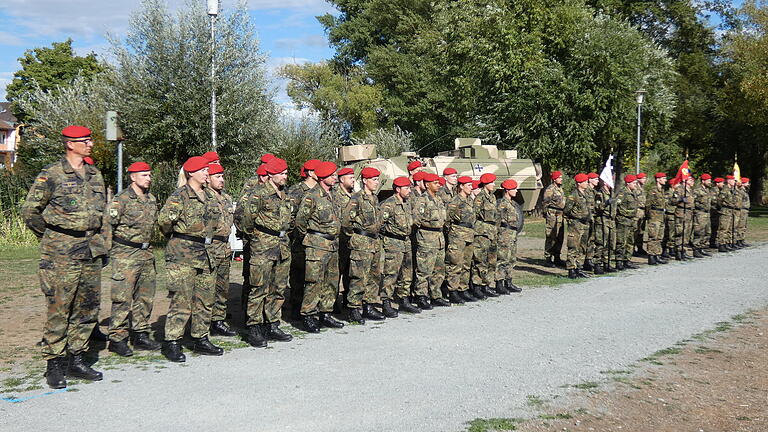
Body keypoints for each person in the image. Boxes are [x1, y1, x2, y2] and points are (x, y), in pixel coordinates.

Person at [22, 125, 108, 388]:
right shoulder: (52, 174)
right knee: (60, 308)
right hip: (61, 252)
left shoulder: (95, 174)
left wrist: (103, 246)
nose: (91, 144)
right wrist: (51, 236)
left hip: (91, 249)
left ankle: (76, 359)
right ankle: (54, 364)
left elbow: (102, 214)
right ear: (71, 144)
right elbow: (30, 211)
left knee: (87, 308)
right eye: (86, 140)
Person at [158, 156, 224, 362]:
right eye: (204, 170)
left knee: (205, 300)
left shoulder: (210, 197)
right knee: (182, 300)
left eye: (208, 171)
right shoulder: (180, 196)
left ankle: (200, 338)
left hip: (206, 254)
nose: (207, 173)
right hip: (182, 255)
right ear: (191, 173)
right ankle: (173, 342)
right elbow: (164, 223)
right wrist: (181, 237)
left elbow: (217, 223)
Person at [237, 157, 295, 347]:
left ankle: (272, 323)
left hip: (282, 246)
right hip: (262, 246)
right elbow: (247, 222)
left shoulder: (285, 194)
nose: (285, 177)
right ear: (270, 175)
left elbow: (291, 220)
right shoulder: (258, 194)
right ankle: (254, 327)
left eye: (286, 173)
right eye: (281, 174)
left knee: (278, 288)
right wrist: (258, 238)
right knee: (258, 288)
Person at [106, 161, 162, 357]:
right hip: (125, 254)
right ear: (132, 176)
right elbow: (108, 227)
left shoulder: (151, 199)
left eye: (149, 175)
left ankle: (140, 334)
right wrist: (107, 252)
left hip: (146, 254)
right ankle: (117, 338)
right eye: (144, 175)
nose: (149, 178)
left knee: (145, 296)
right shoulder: (120, 199)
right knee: (122, 298)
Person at [294, 161, 344, 333]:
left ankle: (326, 313)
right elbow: (300, 221)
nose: (335, 178)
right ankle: (308, 315)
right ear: (323, 177)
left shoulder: (334, 195)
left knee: (331, 281)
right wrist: (309, 238)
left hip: (333, 244)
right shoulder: (312, 196)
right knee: (314, 281)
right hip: (316, 245)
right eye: (332, 176)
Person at [342, 167, 386, 323]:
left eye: (377, 179)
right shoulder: (357, 198)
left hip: (374, 242)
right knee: (359, 277)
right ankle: (354, 308)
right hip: (361, 242)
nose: (377, 182)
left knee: (374, 276)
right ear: (365, 181)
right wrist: (354, 237)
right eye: (374, 179)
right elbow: (346, 221)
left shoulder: (374, 199)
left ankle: (368, 305)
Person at [379, 177, 421, 314]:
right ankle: (386, 302)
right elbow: (380, 225)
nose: (409, 191)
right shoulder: (388, 204)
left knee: (407, 273)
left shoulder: (407, 203)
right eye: (407, 188)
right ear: (398, 189)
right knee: (391, 274)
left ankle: (404, 300)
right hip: (393, 242)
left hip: (406, 241)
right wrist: (389, 237)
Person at [286, 159, 320, 318]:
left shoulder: (322, 190)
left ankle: (313, 306)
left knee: (314, 275)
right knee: (298, 273)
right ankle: (296, 305)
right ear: (311, 173)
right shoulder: (296, 191)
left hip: (318, 241)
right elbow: (291, 216)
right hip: (299, 239)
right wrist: (300, 234)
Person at [207, 164, 237, 337]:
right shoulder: (205, 197)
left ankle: (218, 320)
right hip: (210, 247)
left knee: (222, 287)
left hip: (224, 247)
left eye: (222, 176)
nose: (222, 180)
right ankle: (204, 321)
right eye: (217, 176)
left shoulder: (226, 197)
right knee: (206, 288)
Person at [413, 172, 449, 308]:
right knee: (424, 270)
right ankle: (421, 296)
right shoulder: (422, 200)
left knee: (439, 269)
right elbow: (416, 220)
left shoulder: (439, 199)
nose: (438, 185)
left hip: (439, 238)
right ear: (427, 185)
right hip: (427, 238)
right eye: (435, 183)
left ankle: (436, 295)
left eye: (439, 183)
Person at [445, 176, 478, 303]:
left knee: (466, 264)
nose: (471, 187)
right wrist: (453, 233)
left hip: (469, 234)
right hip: (457, 235)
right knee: (455, 264)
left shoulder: (469, 200)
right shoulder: (455, 201)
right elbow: (447, 220)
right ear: (461, 186)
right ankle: (452, 291)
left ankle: (462, 289)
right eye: (468, 185)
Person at [472, 173, 503, 296]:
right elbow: (475, 214)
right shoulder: (480, 198)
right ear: (485, 184)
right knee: (480, 260)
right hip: (482, 232)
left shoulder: (492, 197)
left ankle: (486, 285)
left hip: (492, 231)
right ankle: (477, 286)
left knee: (492, 260)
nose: (494, 185)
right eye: (492, 183)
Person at [332, 167, 355, 310]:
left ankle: (348, 299)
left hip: (352, 240)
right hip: (340, 239)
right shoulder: (335, 196)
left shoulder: (355, 196)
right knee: (336, 272)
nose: (353, 180)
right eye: (350, 177)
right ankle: (333, 301)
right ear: (341, 179)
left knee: (350, 271)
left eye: (353, 177)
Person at [496, 179, 522, 292]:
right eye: (514, 189)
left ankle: (508, 281)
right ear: (507, 190)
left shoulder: (512, 203)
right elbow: (497, 220)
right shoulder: (502, 204)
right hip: (504, 233)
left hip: (512, 233)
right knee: (502, 259)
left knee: (511, 259)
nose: (516, 191)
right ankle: (499, 283)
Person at [564, 173, 591, 278]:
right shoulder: (573, 195)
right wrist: (577, 216)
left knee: (582, 247)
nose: (587, 183)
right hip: (575, 224)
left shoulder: (586, 194)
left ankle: (578, 268)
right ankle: (571, 269)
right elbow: (567, 210)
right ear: (579, 183)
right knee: (573, 247)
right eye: (585, 182)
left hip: (585, 224)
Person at [615, 174, 640, 270]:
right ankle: (619, 261)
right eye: (634, 183)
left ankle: (627, 260)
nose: (635, 185)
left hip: (631, 221)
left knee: (630, 241)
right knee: (621, 241)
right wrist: (631, 213)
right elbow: (620, 208)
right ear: (628, 183)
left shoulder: (633, 193)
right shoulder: (622, 193)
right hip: (623, 221)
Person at [542, 171, 566, 267]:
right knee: (551, 236)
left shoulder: (560, 189)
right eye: (559, 177)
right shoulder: (550, 189)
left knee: (560, 237)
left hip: (560, 215)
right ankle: (548, 258)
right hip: (553, 215)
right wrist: (547, 215)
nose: (561, 179)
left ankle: (557, 257)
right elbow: (545, 203)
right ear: (554, 179)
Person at [593, 179, 616, 273]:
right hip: (602, 220)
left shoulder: (611, 193)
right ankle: (597, 264)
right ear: (606, 182)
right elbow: (597, 207)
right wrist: (606, 203)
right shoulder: (600, 194)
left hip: (611, 220)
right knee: (601, 242)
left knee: (610, 243)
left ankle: (607, 262)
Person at [645, 173, 669, 265]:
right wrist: (649, 216)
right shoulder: (653, 190)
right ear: (658, 179)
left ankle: (657, 255)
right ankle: (651, 256)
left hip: (661, 216)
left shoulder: (661, 190)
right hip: (654, 216)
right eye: (663, 178)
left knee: (659, 237)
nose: (665, 180)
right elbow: (648, 204)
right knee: (653, 237)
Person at [672, 176, 695, 260]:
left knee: (687, 233)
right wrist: (681, 199)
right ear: (685, 181)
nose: (693, 181)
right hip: (681, 213)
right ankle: (678, 252)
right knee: (680, 232)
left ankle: (684, 251)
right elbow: (673, 201)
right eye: (691, 180)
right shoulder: (680, 189)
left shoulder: (690, 190)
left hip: (689, 213)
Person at [692, 174, 714, 257]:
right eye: (708, 180)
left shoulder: (707, 190)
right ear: (703, 181)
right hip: (700, 213)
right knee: (699, 232)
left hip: (707, 213)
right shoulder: (697, 190)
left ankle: (702, 247)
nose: (710, 182)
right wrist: (700, 207)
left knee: (707, 232)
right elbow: (693, 202)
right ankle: (696, 249)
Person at [583, 172, 599, 271]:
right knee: (586, 240)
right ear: (590, 180)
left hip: (593, 218)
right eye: (595, 179)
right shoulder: (587, 191)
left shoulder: (593, 191)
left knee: (592, 239)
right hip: (587, 218)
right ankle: (585, 260)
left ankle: (589, 259)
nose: (597, 181)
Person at [633, 173, 648, 256]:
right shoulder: (635, 188)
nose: (645, 180)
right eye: (643, 178)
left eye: (645, 178)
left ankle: (640, 247)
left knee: (641, 231)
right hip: (637, 211)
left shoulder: (642, 189)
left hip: (643, 211)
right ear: (638, 179)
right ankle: (632, 249)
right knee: (635, 230)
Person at [736, 178, 751, 248]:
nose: (748, 184)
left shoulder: (745, 191)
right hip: (742, 210)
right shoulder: (741, 192)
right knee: (740, 226)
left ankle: (742, 239)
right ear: (743, 183)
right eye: (747, 183)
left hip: (745, 210)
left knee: (744, 226)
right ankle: (738, 240)